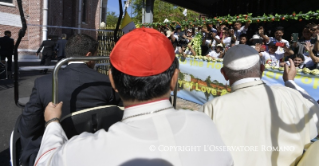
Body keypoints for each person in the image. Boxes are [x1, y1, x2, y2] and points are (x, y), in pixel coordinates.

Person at [34, 28, 234, 166]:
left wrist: (52, 122)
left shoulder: (80, 151)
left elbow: (45, 161)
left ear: (112, 80)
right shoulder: (206, 125)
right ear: (174, 79)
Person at [201, 44, 319, 166]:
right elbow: (314, 111)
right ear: (262, 69)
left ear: (224, 74)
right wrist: (290, 82)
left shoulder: (212, 108)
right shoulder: (289, 95)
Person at [18, 34, 119, 166]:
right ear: (89, 56)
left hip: (56, 153)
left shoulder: (43, 83)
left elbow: (28, 126)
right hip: (96, 148)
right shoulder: (106, 82)